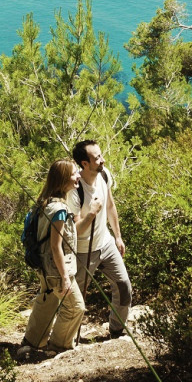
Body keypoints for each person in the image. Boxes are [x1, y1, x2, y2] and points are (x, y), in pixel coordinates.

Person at [69, 139, 132, 340]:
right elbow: (76, 231)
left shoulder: (104, 175)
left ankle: (116, 330)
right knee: (74, 298)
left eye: (100, 155)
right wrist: (91, 214)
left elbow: (110, 205)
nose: (102, 160)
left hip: (105, 244)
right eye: (97, 158)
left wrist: (118, 236)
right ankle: (66, 338)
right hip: (83, 252)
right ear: (84, 163)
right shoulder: (75, 189)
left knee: (123, 287)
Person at [21, 159, 85, 352]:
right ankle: (58, 346)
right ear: (63, 178)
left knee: (47, 300)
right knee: (75, 307)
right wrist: (65, 277)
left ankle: (32, 342)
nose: (78, 176)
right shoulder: (59, 211)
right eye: (74, 173)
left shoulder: (43, 204)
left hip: (43, 266)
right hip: (56, 270)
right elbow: (56, 247)